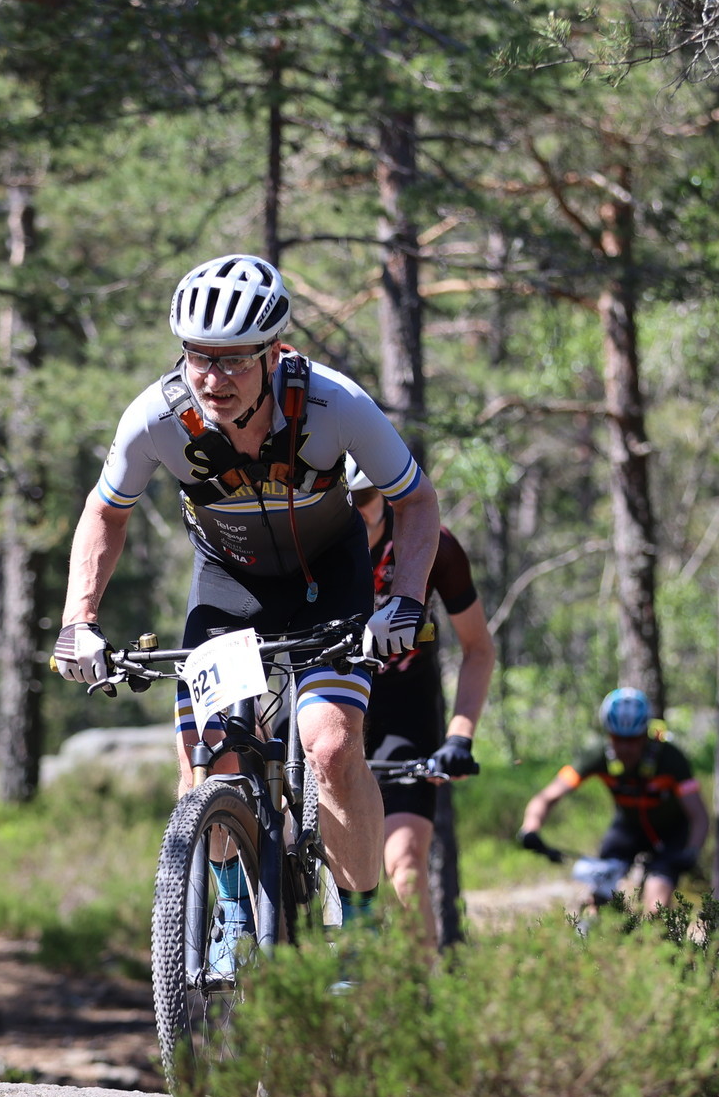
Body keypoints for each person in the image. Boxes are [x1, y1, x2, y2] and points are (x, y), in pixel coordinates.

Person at [52, 254, 442, 968]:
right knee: (208, 754)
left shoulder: (334, 404)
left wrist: (405, 601)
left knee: (330, 744)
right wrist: (80, 619)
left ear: (273, 353)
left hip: (330, 584)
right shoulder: (157, 416)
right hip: (230, 592)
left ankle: (359, 927)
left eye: (234, 360)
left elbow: (415, 500)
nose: (213, 378)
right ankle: (232, 910)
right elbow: (105, 513)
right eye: (199, 356)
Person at [349, 458, 495, 946]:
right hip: (322, 701)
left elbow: (478, 649)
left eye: (365, 497)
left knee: (406, 864)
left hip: (402, 712)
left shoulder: (432, 545)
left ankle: (423, 990)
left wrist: (460, 738)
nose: (357, 510)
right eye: (342, 500)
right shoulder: (305, 542)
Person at [516, 688, 709, 913]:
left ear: (645, 734)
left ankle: (655, 933)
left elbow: (699, 816)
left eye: (633, 740)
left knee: (657, 903)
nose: (625, 748)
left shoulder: (671, 759)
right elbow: (547, 797)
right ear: (608, 734)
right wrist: (530, 829)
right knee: (599, 896)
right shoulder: (596, 755)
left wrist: (691, 851)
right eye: (618, 739)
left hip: (671, 834)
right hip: (627, 828)